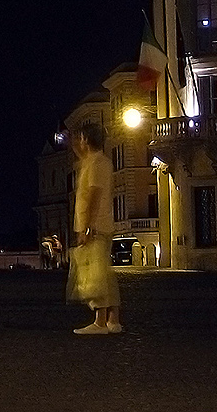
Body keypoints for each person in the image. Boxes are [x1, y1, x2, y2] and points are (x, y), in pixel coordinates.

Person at [68, 122, 122, 334]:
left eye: (81, 138)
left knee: (96, 275)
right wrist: (73, 144)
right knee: (105, 275)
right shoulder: (97, 161)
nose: (79, 142)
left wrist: (87, 228)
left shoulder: (96, 164)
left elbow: (93, 195)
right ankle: (113, 319)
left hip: (95, 226)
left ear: (87, 140)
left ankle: (100, 322)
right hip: (102, 224)